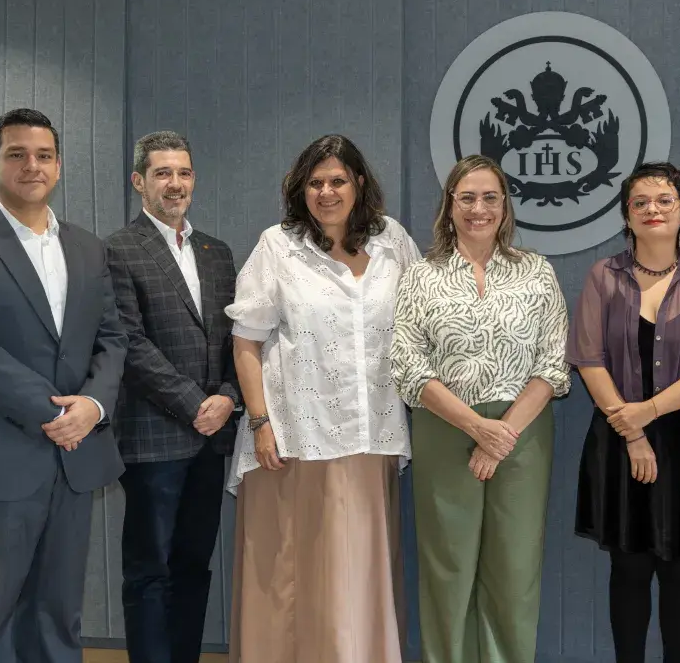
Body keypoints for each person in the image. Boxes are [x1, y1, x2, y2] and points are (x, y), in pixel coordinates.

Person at [0, 108, 128, 663]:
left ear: (59, 166)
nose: (31, 165)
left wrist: (91, 406)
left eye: (43, 155)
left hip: (76, 455)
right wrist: (54, 412)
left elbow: (113, 339)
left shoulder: (89, 249)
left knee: (60, 614)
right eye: (16, 154)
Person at [223, 134, 420, 663]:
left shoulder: (392, 242)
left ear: (359, 183)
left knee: (359, 570)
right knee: (294, 571)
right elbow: (246, 342)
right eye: (315, 182)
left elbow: (421, 326)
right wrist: (261, 422)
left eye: (337, 180)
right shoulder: (278, 245)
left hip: (370, 432)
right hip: (293, 437)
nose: (326, 192)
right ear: (299, 189)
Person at [390, 154, 570, 663]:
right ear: (449, 206)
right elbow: (408, 364)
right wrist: (476, 427)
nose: (479, 208)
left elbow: (552, 364)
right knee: (447, 564)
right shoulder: (421, 276)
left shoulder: (536, 272)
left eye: (490, 197)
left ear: (505, 206)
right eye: (466, 197)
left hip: (524, 431)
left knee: (514, 567)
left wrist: (502, 435)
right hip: (444, 427)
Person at [567, 162, 680, 663]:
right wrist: (634, 431)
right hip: (621, 440)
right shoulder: (604, 276)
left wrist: (650, 412)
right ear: (626, 214)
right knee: (630, 568)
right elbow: (588, 359)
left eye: (664, 200)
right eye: (640, 202)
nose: (652, 210)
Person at [104, 130, 241, 663]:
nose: (175, 183)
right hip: (154, 439)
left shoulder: (217, 252)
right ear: (139, 181)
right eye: (163, 173)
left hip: (212, 438)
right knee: (148, 570)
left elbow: (239, 337)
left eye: (183, 172)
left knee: (193, 566)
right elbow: (128, 343)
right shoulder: (118, 249)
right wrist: (194, 405)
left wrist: (227, 397)